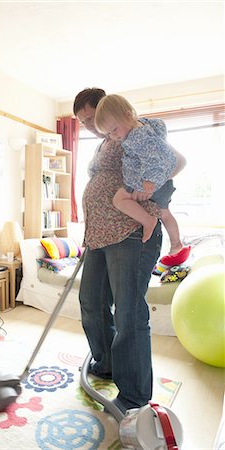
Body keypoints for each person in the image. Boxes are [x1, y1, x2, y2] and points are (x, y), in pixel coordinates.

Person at [73, 87, 162, 414]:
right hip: (99, 235)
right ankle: (107, 363)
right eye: (82, 123)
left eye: (91, 118)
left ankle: (134, 394)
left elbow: (166, 158)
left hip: (129, 232)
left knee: (127, 312)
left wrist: (148, 192)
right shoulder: (105, 142)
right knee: (91, 302)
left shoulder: (135, 130)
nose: (89, 126)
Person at [94, 94, 190, 264]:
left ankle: (148, 221)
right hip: (156, 182)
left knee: (119, 199)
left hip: (149, 183)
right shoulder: (145, 127)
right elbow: (160, 130)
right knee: (165, 213)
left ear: (128, 115)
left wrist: (147, 184)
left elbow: (155, 159)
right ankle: (176, 243)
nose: (113, 136)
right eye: (109, 133)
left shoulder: (138, 137)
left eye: (114, 129)